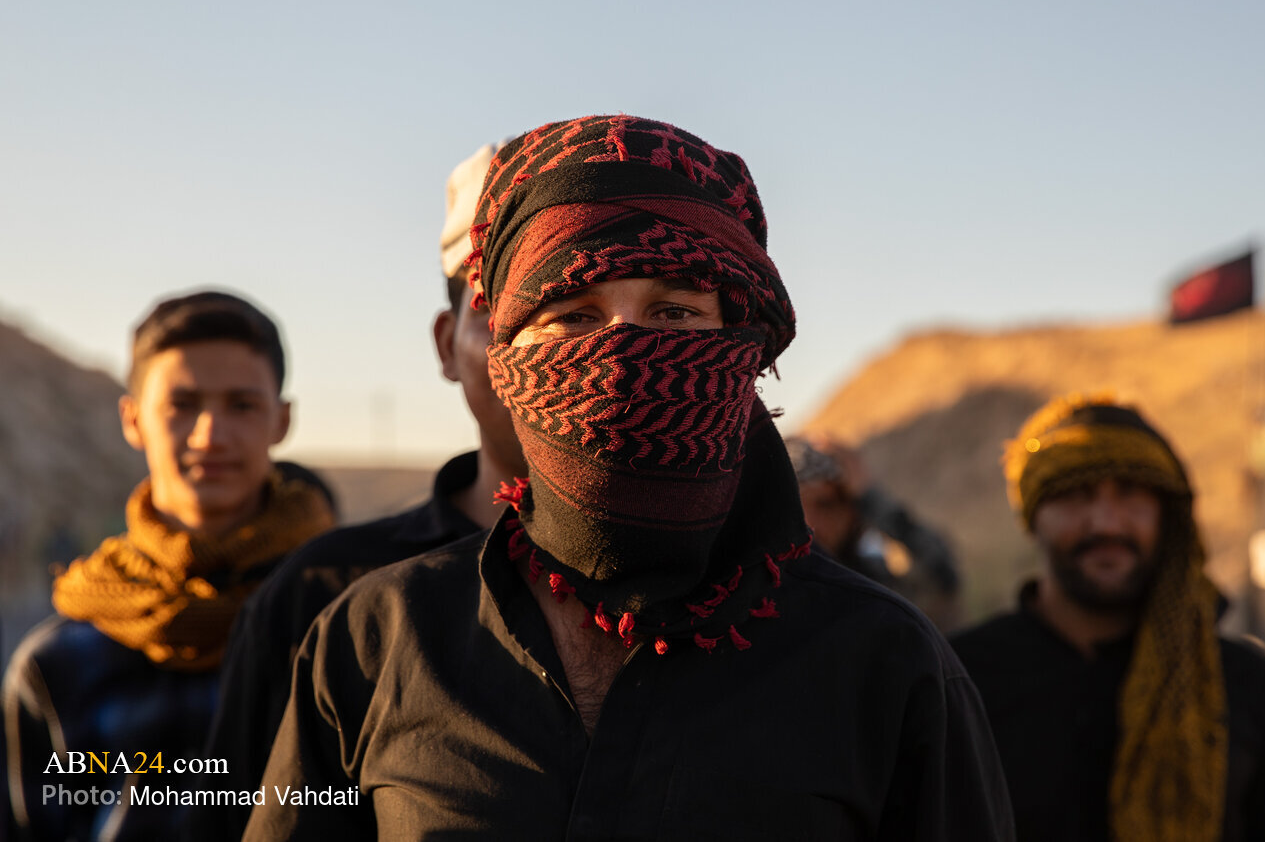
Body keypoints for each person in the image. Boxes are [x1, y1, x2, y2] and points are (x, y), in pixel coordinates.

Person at [244, 114, 1014, 840]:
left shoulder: (885, 661)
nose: (620, 358)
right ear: (505, 356)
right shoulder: (376, 640)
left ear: (743, 346)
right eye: (572, 315)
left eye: (674, 313)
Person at [185, 143, 528, 842]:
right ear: (447, 343)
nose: (544, 343)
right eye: (505, 308)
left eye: (579, 307)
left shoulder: (758, 603)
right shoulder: (324, 599)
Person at [2, 291, 334, 841]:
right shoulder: (59, 661)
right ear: (133, 419)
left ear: (282, 420)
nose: (210, 435)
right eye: (182, 405)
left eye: (241, 405)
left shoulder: (349, 622)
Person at [951, 393, 1265, 842]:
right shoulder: (959, 679)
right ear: (1033, 515)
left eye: (1131, 495)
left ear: (1166, 516)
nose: (1106, 523)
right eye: (1075, 495)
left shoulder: (1245, 685)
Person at [785, 436, 961, 627]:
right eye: (796, 512)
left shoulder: (869, 583)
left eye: (825, 504)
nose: (811, 523)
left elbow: (941, 579)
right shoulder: (784, 602)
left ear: (852, 509)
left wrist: (868, 496)